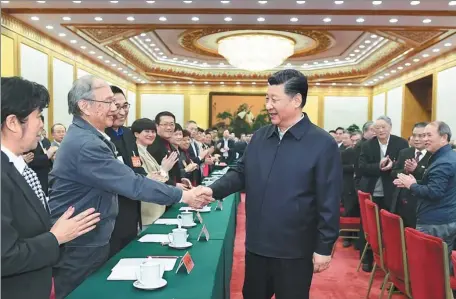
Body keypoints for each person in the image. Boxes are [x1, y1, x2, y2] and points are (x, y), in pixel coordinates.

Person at [48, 75, 212, 298]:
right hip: (82, 242)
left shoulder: (91, 136)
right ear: (85, 106)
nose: (115, 108)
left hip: (89, 237)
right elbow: (131, 183)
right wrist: (183, 196)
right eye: (108, 102)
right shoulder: (86, 144)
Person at [201, 69, 342, 299]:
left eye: (274, 99)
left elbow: (329, 199)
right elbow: (240, 172)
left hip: (295, 251)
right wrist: (212, 190)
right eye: (267, 98)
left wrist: (324, 247)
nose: (268, 105)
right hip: (257, 245)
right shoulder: (260, 137)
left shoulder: (322, 143)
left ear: (296, 100)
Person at [1, 77, 100, 299]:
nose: (41, 126)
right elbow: (4, 257)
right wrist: (55, 238)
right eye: (38, 117)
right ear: (13, 122)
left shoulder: (15, 167)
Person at [394, 121, 456, 272]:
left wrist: (412, 186)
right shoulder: (446, 156)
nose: (424, 139)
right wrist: (416, 182)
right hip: (444, 218)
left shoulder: (443, 162)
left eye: (429, 135)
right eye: (423, 135)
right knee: (439, 265)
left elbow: (435, 192)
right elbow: (438, 184)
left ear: (444, 138)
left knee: (430, 267)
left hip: (435, 222)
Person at [104, 86, 145, 257]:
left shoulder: (128, 134)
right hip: (110, 216)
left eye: (125, 106)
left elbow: (135, 164)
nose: (122, 112)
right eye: (116, 106)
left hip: (132, 207)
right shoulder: (101, 137)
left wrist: (150, 177)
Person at [131, 118, 178, 228]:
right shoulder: (136, 153)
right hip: (147, 211)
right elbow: (145, 180)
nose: (151, 135)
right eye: (146, 131)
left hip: (157, 207)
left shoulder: (145, 151)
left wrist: (163, 169)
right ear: (136, 134)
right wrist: (164, 169)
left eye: (153, 132)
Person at [391, 122, 432, 228]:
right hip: (401, 200)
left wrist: (416, 169)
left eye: (421, 136)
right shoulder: (404, 152)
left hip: (420, 203)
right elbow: (394, 173)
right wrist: (405, 170)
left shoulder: (433, 155)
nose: (416, 139)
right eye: (414, 135)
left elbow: (430, 178)